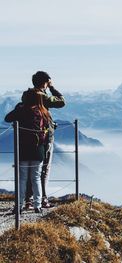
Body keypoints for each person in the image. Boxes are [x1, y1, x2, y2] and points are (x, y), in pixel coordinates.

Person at [22, 71, 65, 208]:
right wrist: (52, 87)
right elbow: (62, 101)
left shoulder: (26, 95)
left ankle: (28, 199)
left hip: (26, 137)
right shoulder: (44, 97)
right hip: (44, 138)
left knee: (29, 169)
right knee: (44, 168)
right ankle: (42, 199)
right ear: (45, 82)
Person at [5, 89, 51, 213]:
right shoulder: (43, 111)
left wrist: (18, 107)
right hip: (38, 150)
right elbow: (48, 128)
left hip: (23, 149)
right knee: (36, 178)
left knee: (22, 178)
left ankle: (19, 205)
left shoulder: (21, 110)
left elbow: (7, 118)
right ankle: (37, 206)